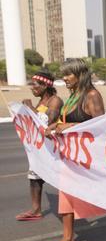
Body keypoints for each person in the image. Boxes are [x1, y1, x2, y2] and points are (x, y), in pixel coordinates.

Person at [43, 58, 106, 241]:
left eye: (69, 74)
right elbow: (66, 121)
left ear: (80, 75)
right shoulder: (72, 96)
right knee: (66, 191)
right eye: (64, 73)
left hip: (90, 157)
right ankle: (68, 238)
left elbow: (101, 125)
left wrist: (69, 126)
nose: (65, 77)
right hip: (72, 155)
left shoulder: (91, 95)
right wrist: (53, 127)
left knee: (105, 191)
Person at [15, 71, 63, 221]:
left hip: (54, 147)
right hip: (41, 147)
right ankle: (36, 210)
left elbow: (48, 120)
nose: (31, 87)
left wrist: (30, 108)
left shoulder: (55, 100)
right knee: (35, 176)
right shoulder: (41, 101)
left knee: (62, 179)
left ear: (45, 85)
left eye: (34, 84)